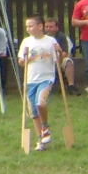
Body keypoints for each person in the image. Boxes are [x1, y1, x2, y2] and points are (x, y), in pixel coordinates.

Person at [17, 15, 62, 152]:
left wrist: (59, 52)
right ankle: (41, 140)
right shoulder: (26, 42)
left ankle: (45, 127)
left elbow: (58, 62)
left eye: (30, 26)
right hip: (31, 80)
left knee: (40, 103)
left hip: (46, 78)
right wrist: (26, 58)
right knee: (34, 113)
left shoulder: (50, 41)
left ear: (40, 26)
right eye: (27, 26)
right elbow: (21, 62)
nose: (28, 29)